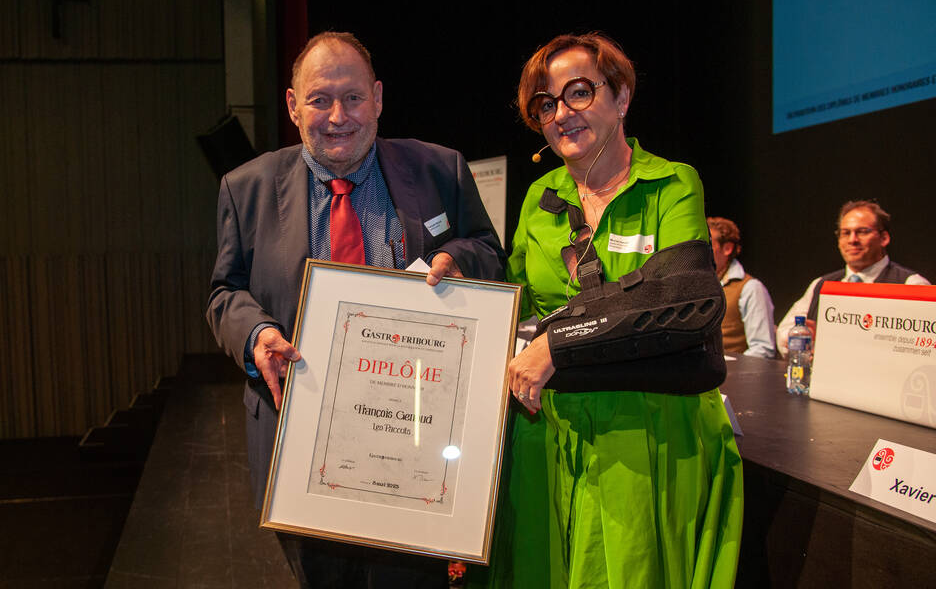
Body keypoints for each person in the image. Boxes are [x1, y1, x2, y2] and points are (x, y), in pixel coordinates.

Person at [206, 31, 505, 588]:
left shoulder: (441, 169)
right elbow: (225, 293)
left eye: (354, 97)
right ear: (293, 106)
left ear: (379, 98)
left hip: (419, 438)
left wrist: (456, 258)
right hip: (298, 441)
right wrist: (257, 335)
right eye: (320, 99)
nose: (338, 116)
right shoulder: (244, 188)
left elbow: (489, 252)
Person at [470, 33, 743, 588]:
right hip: (547, 433)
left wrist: (559, 343)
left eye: (577, 93)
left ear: (620, 98)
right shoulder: (539, 199)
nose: (560, 114)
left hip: (647, 434)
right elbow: (515, 304)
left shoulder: (671, 183)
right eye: (546, 104)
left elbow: (686, 302)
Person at [776, 200, 929, 357]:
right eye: (845, 233)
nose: (852, 240)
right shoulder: (821, 284)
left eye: (862, 231)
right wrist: (803, 337)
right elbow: (784, 333)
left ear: (884, 238)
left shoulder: (911, 284)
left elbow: (923, 347)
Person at [707, 216, 776, 357]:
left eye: (709, 246)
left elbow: (762, 349)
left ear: (727, 248)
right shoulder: (696, 286)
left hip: (732, 374)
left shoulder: (750, 288)